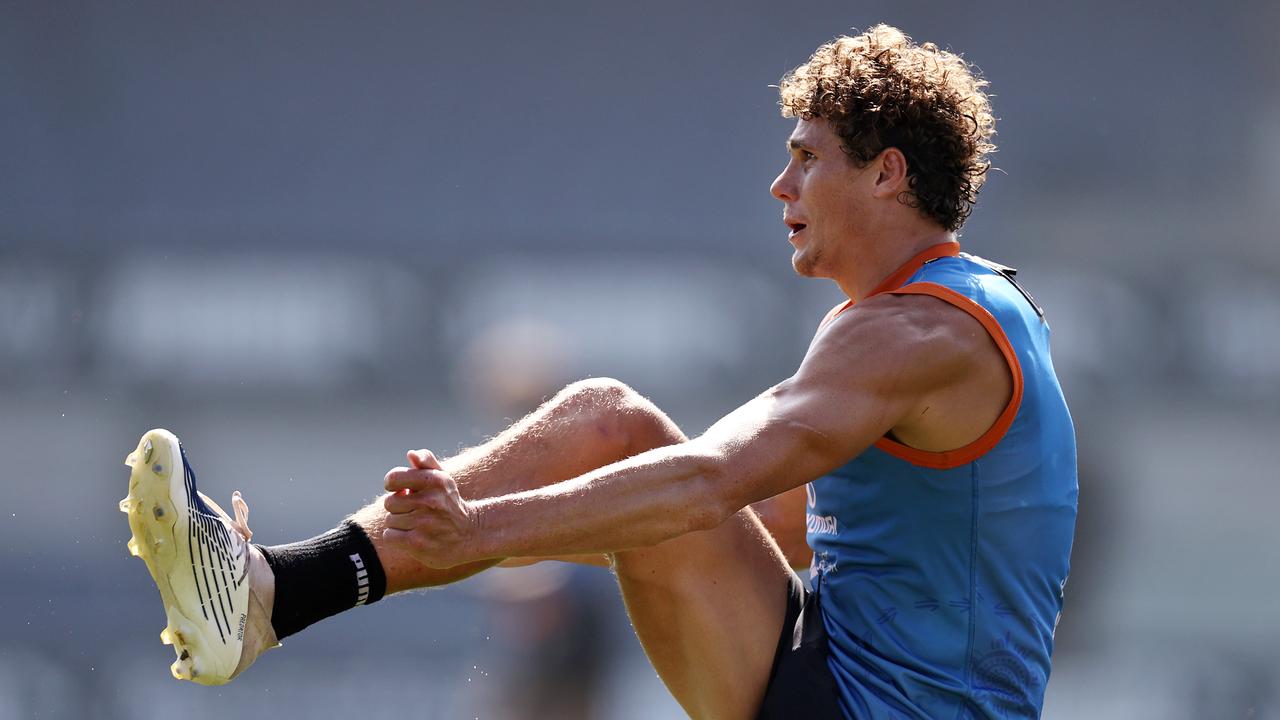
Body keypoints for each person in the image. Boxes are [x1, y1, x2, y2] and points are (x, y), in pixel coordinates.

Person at [120, 24, 1077, 719]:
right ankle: (270, 595)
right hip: (826, 666)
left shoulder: (918, 334)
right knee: (602, 426)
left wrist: (480, 530)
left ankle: (272, 597)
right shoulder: (923, 316)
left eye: (807, 158)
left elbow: (708, 482)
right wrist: (487, 536)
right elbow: (780, 526)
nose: (780, 187)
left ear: (888, 174)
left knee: (614, 435)